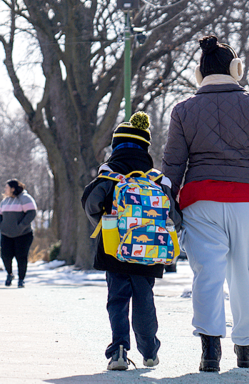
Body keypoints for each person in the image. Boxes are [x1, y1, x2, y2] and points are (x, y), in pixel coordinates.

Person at [162, 35, 249, 372]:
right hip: (247, 200)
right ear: (236, 69)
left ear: (200, 74)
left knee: (207, 275)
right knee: (245, 273)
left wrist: (165, 210)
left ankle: (210, 351)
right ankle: (244, 346)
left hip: (200, 202)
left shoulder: (182, 110)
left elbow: (172, 167)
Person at [82, 112, 180, 371]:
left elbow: (90, 203)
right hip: (149, 249)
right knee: (145, 299)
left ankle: (119, 350)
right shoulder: (157, 179)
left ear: (116, 146)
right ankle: (149, 351)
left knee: (117, 300)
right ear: (145, 147)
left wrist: (105, 226)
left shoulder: (109, 175)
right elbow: (175, 215)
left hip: (114, 249)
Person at [0, 179, 37, 288]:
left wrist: (21, 226)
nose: (5, 189)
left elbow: (32, 213)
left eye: (7, 187)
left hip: (23, 235)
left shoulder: (25, 198)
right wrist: (1, 225)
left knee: (21, 257)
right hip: (6, 234)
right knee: (5, 256)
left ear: (13, 189)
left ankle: (21, 279)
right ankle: (9, 274)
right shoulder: (5, 201)